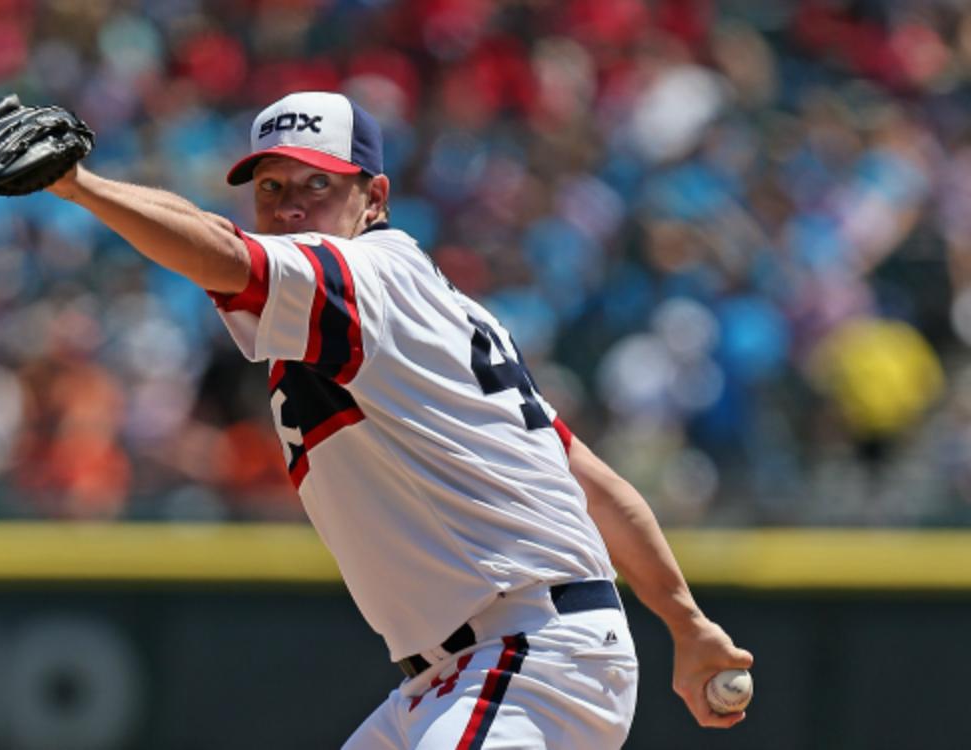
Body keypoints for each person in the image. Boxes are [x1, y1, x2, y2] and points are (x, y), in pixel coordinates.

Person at [46, 91, 753, 749]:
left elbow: (224, 253)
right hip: (469, 669)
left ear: (374, 197)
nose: (290, 206)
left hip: (526, 654)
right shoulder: (422, 308)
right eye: (271, 188)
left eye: (316, 184)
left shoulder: (369, 275)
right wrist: (687, 625)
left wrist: (78, 186)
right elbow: (593, 488)